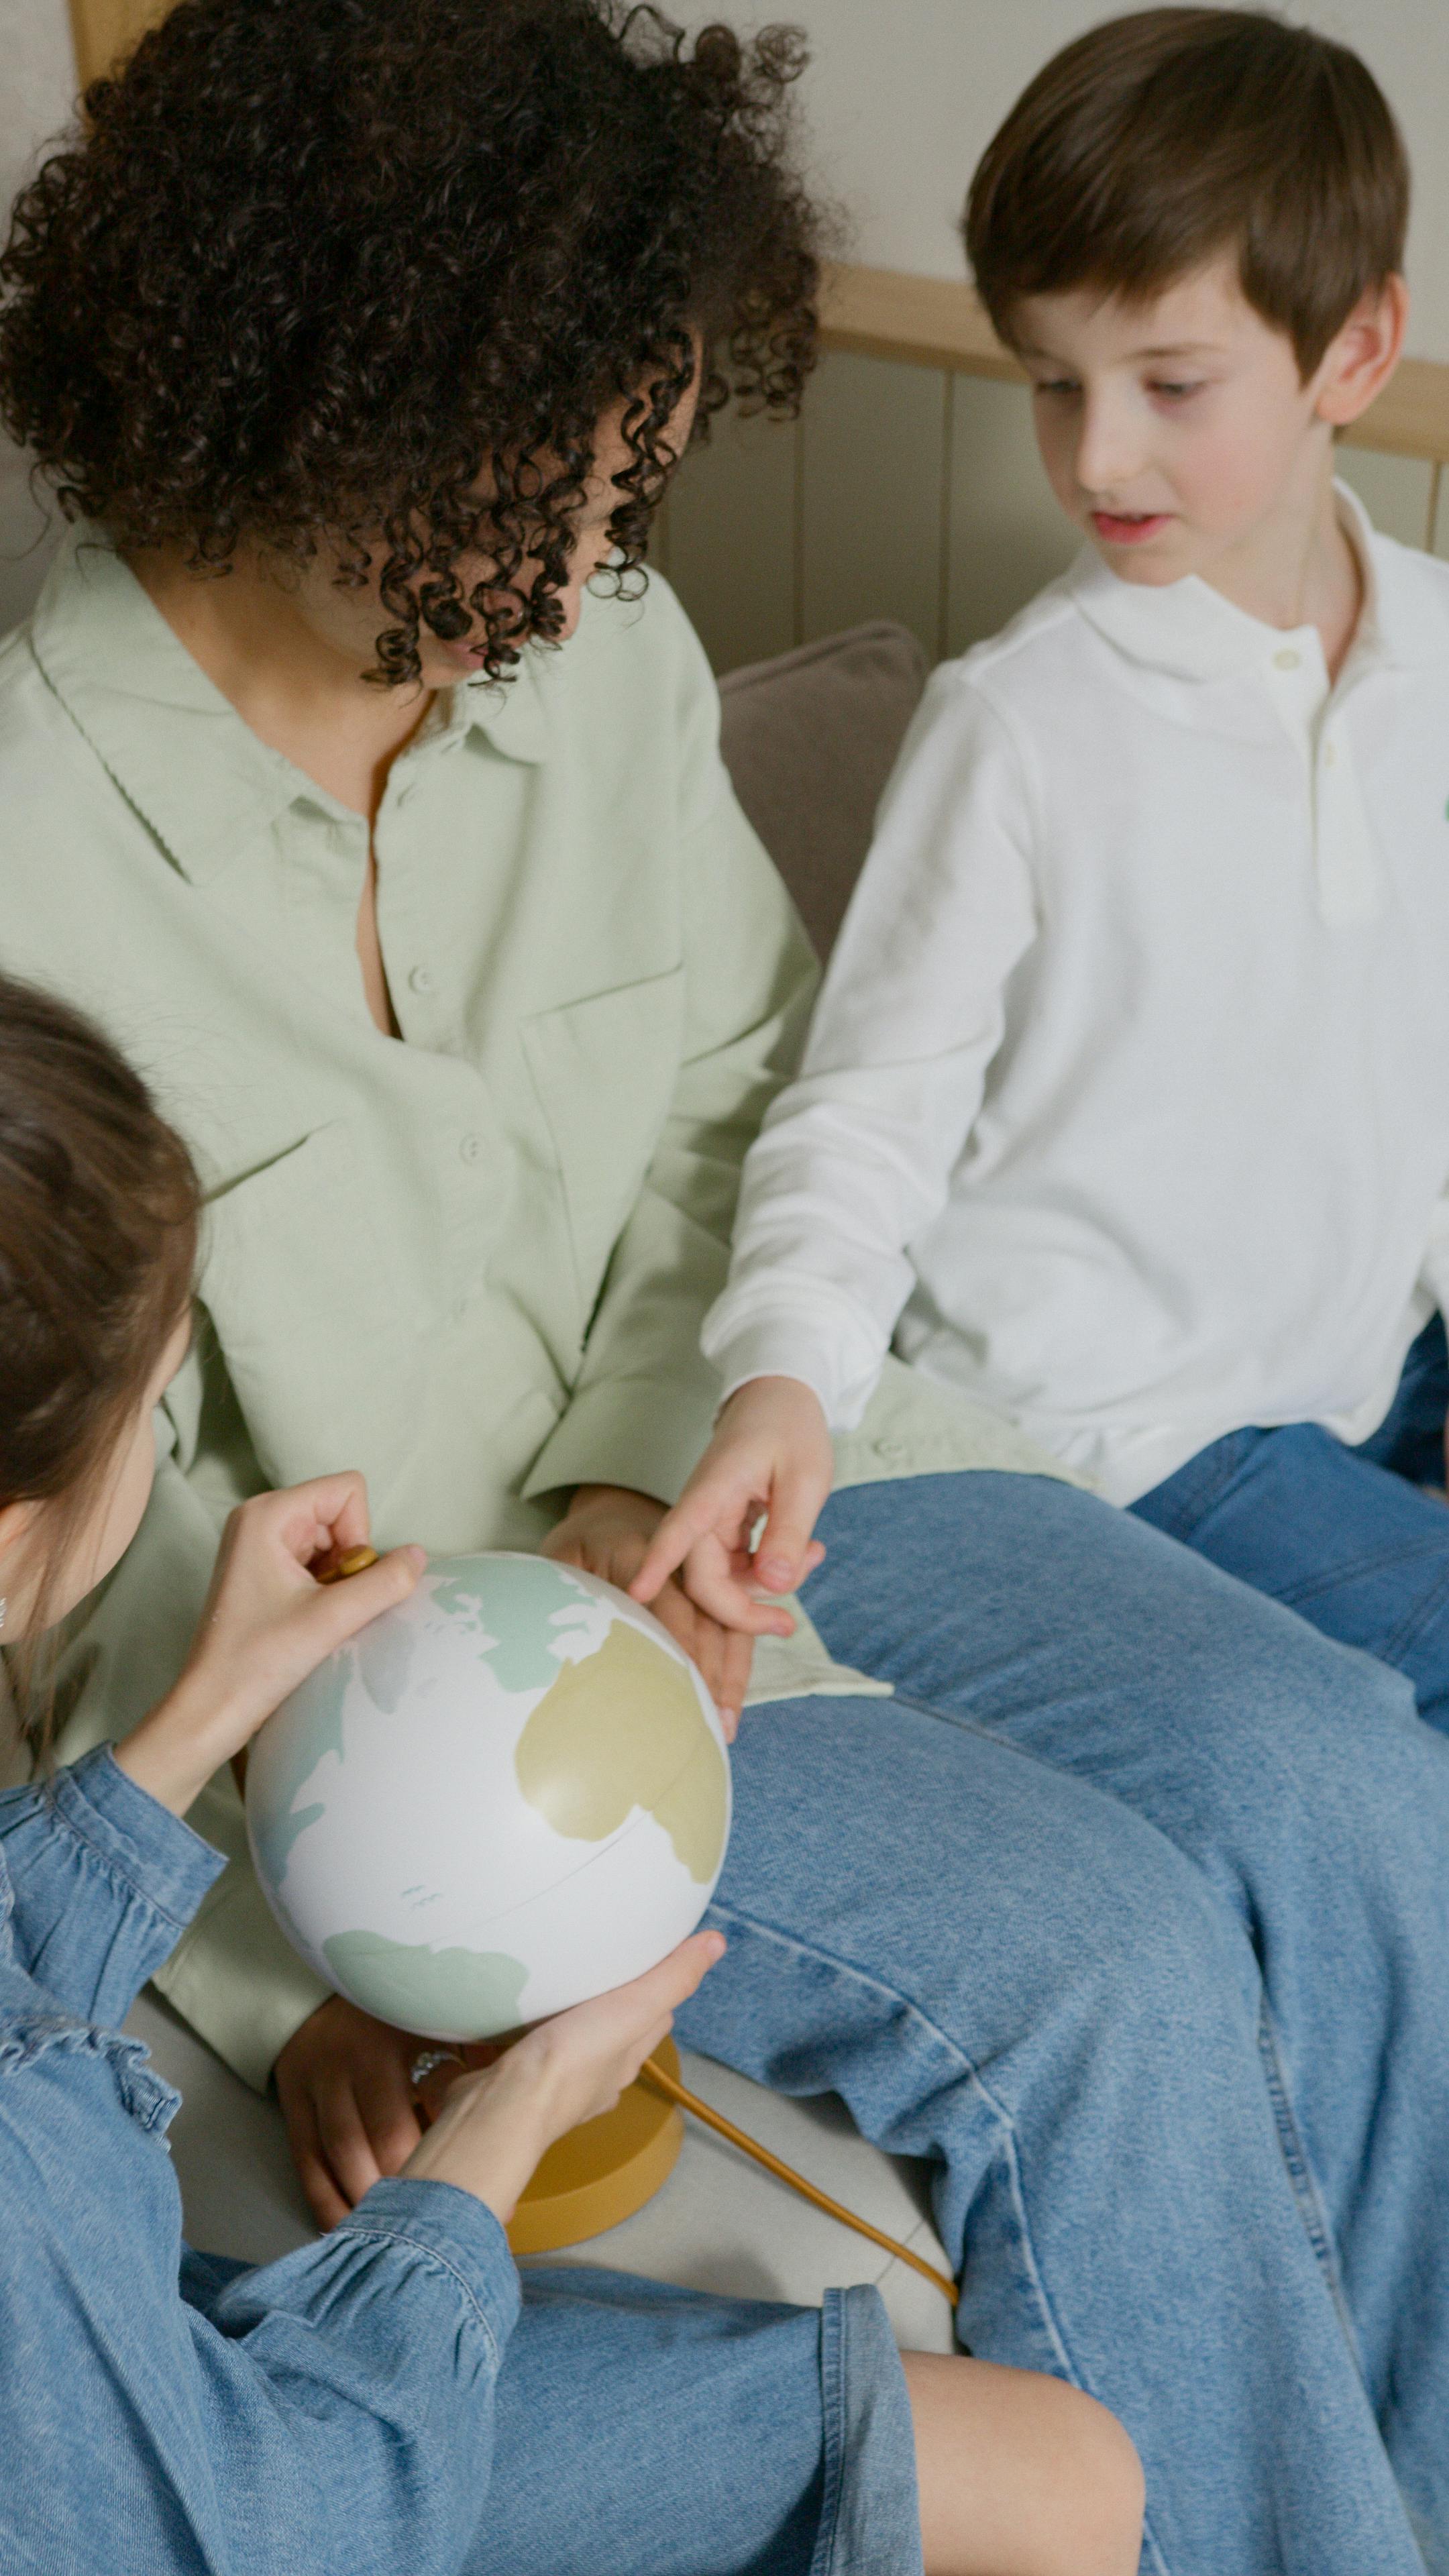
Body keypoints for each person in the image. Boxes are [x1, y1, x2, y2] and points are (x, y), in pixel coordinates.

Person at [0, 3, 1446, 2567]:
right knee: (1096, 1974)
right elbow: (86, 1555)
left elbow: (738, 1121)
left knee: (1341, 1772)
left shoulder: (600, 659)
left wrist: (637, 1467)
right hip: (455, 1689)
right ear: (332, 413)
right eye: (558, 489)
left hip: (764, 1476)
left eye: (634, 484)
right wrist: (332, 1939)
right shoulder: (32, 849)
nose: (596, 564)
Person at [0, 971, 1144, 2576]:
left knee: (1054, 2466)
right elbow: (281, 2531)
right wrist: (510, 2120)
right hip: (233, 2473)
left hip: (98, 2388)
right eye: (156, 1399)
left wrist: (195, 1718)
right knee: (1063, 2482)